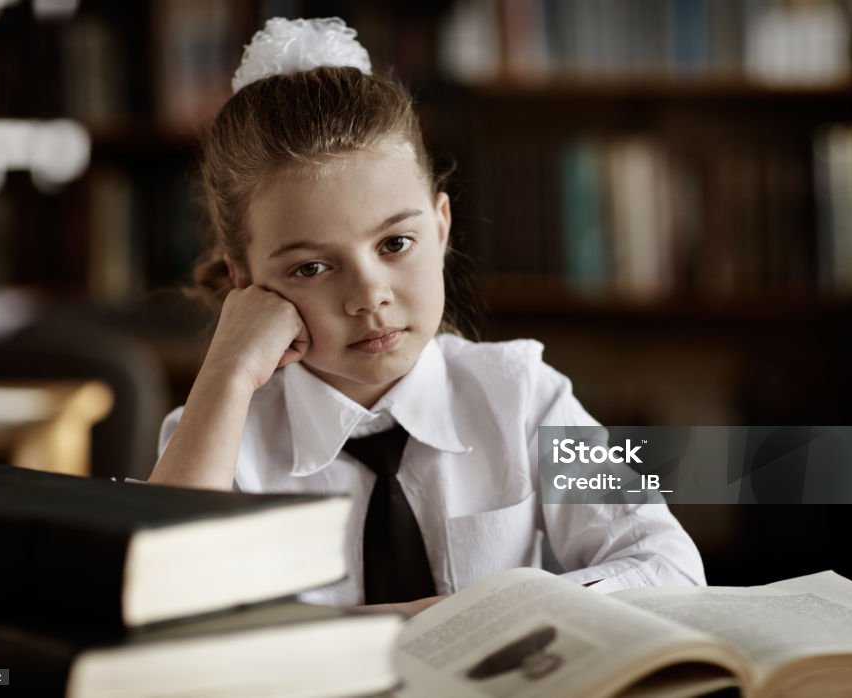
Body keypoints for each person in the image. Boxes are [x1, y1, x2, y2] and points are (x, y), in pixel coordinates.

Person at [150, 17, 705, 616]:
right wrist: (229, 372)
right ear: (246, 282)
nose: (368, 296)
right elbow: (158, 605)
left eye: (394, 245)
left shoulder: (522, 396)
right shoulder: (217, 433)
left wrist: (497, 606)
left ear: (440, 228)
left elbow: (667, 563)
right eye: (310, 268)